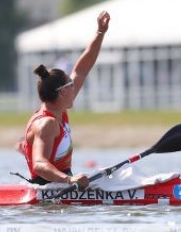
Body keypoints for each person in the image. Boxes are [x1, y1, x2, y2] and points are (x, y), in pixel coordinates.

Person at [18, 10, 111, 187]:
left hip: (62, 185)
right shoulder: (47, 123)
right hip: (48, 191)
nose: (75, 86)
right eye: (71, 85)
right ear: (62, 92)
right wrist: (69, 179)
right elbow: (39, 165)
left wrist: (100, 33)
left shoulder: (58, 108)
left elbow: (82, 70)